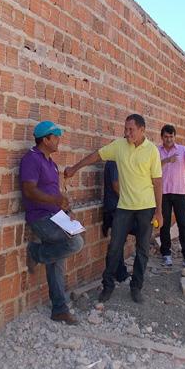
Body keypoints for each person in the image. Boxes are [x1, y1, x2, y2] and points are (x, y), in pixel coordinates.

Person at [65, 114, 163, 304]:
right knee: (114, 248)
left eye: (131, 130)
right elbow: (96, 155)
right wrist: (75, 168)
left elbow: (158, 182)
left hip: (146, 208)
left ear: (142, 130)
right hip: (124, 207)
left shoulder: (152, 151)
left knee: (142, 250)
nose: (127, 133)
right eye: (125, 129)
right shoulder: (119, 146)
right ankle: (108, 286)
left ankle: (136, 288)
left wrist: (159, 211)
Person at [20, 120, 84, 325]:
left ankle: (59, 309)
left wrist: (66, 209)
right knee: (74, 243)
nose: (58, 141)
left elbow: (55, 193)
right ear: (45, 139)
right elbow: (29, 190)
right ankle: (36, 253)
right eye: (55, 137)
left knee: (57, 260)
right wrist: (56, 200)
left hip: (56, 216)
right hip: (40, 217)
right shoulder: (31, 159)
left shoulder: (51, 163)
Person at [158, 124, 185, 267]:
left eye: (171, 136)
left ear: (175, 137)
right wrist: (167, 160)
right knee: (164, 224)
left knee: (183, 224)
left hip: (180, 192)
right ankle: (166, 254)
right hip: (162, 193)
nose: (169, 139)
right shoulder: (157, 151)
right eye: (166, 136)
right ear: (162, 137)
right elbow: (151, 167)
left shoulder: (182, 150)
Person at [102, 160, 130, 283]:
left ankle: (118, 271)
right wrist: (129, 200)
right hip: (115, 206)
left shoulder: (121, 160)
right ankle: (118, 273)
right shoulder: (115, 161)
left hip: (118, 206)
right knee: (118, 241)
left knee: (120, 240)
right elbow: (115, 185)